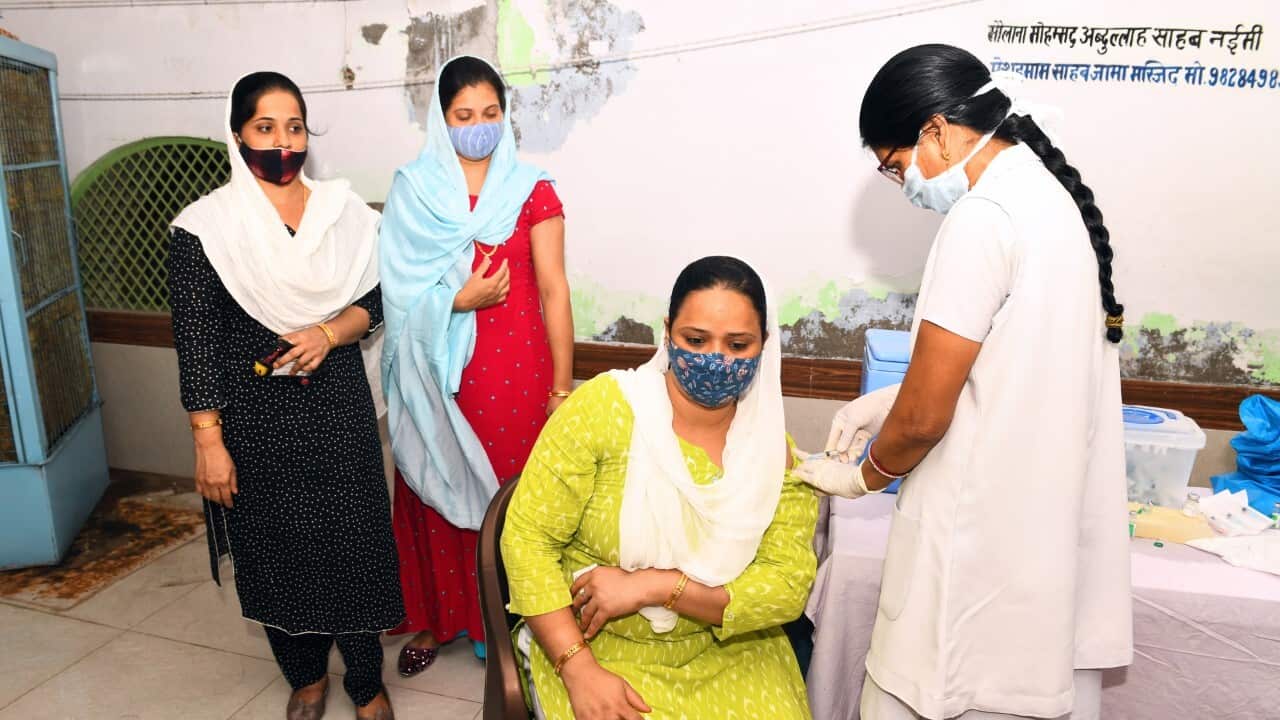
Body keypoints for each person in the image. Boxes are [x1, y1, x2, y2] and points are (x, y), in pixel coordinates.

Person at [797, 44, 1132, 720]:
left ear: (937, 132)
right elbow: (1014, 369)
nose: (904, 185)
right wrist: (888, 397)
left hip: (975, 570)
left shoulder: (982, 220)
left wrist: (863, 475)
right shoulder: (1049, 202)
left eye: (896, 168)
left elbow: (925, 419)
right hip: (1033, 565)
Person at [168, 72, 402, 720]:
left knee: (352, 545)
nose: (282, 141)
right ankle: (303, 675)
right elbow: (198, 341)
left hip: (337, 408)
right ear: (238, 133)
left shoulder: (345, 215)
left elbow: (382, 298)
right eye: (265, 128)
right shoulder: (204, 230)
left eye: (294, 127)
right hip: (254, 420)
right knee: (276, 551)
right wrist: (209, 441)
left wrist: (330, 331)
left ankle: (365, 681)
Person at [502, 256, 817, 720]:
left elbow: (784, 587)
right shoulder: (605, 410)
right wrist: (578, 668)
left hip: (729, 648)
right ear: (667, 332)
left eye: (737, 344)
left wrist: (655, 587)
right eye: (695, 339)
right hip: (594, 644)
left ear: (764, 346)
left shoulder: (773, 454)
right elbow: (528, 541)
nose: (715, 358)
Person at [379, 54, 574, 675]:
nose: (478, 125)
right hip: (436, 373)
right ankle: (439, 619)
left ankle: (511, 620)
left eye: (490, 113)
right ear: (441, 119)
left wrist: (564, 385)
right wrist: (456, 301)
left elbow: (554, 290)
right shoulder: (414, 191)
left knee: (509, 499)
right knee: (435, 489)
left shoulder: (532, 188)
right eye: (464, 115)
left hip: (517, 371)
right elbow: (396, 292)